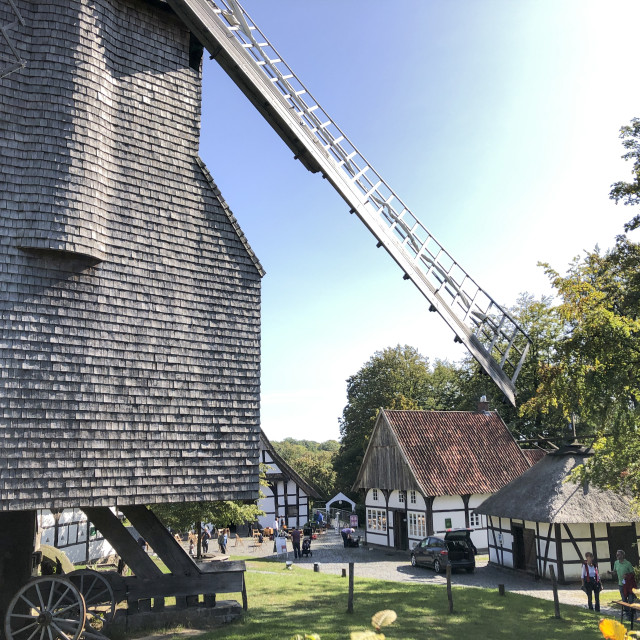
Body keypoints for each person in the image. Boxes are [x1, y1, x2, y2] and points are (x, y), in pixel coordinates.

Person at [609, 549, 636, 620]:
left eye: (618, 554)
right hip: (621, 585)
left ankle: (633, 612)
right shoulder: (616, 563)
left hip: (629, 585)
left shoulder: (628, 563)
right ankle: (628, 615)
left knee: (630, 600)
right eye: (616, 554)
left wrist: (627, 575)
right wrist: (610, 572)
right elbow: (615, 571)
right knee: (624, 601)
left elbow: (633, 573)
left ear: (622, 555)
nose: (617, 556)